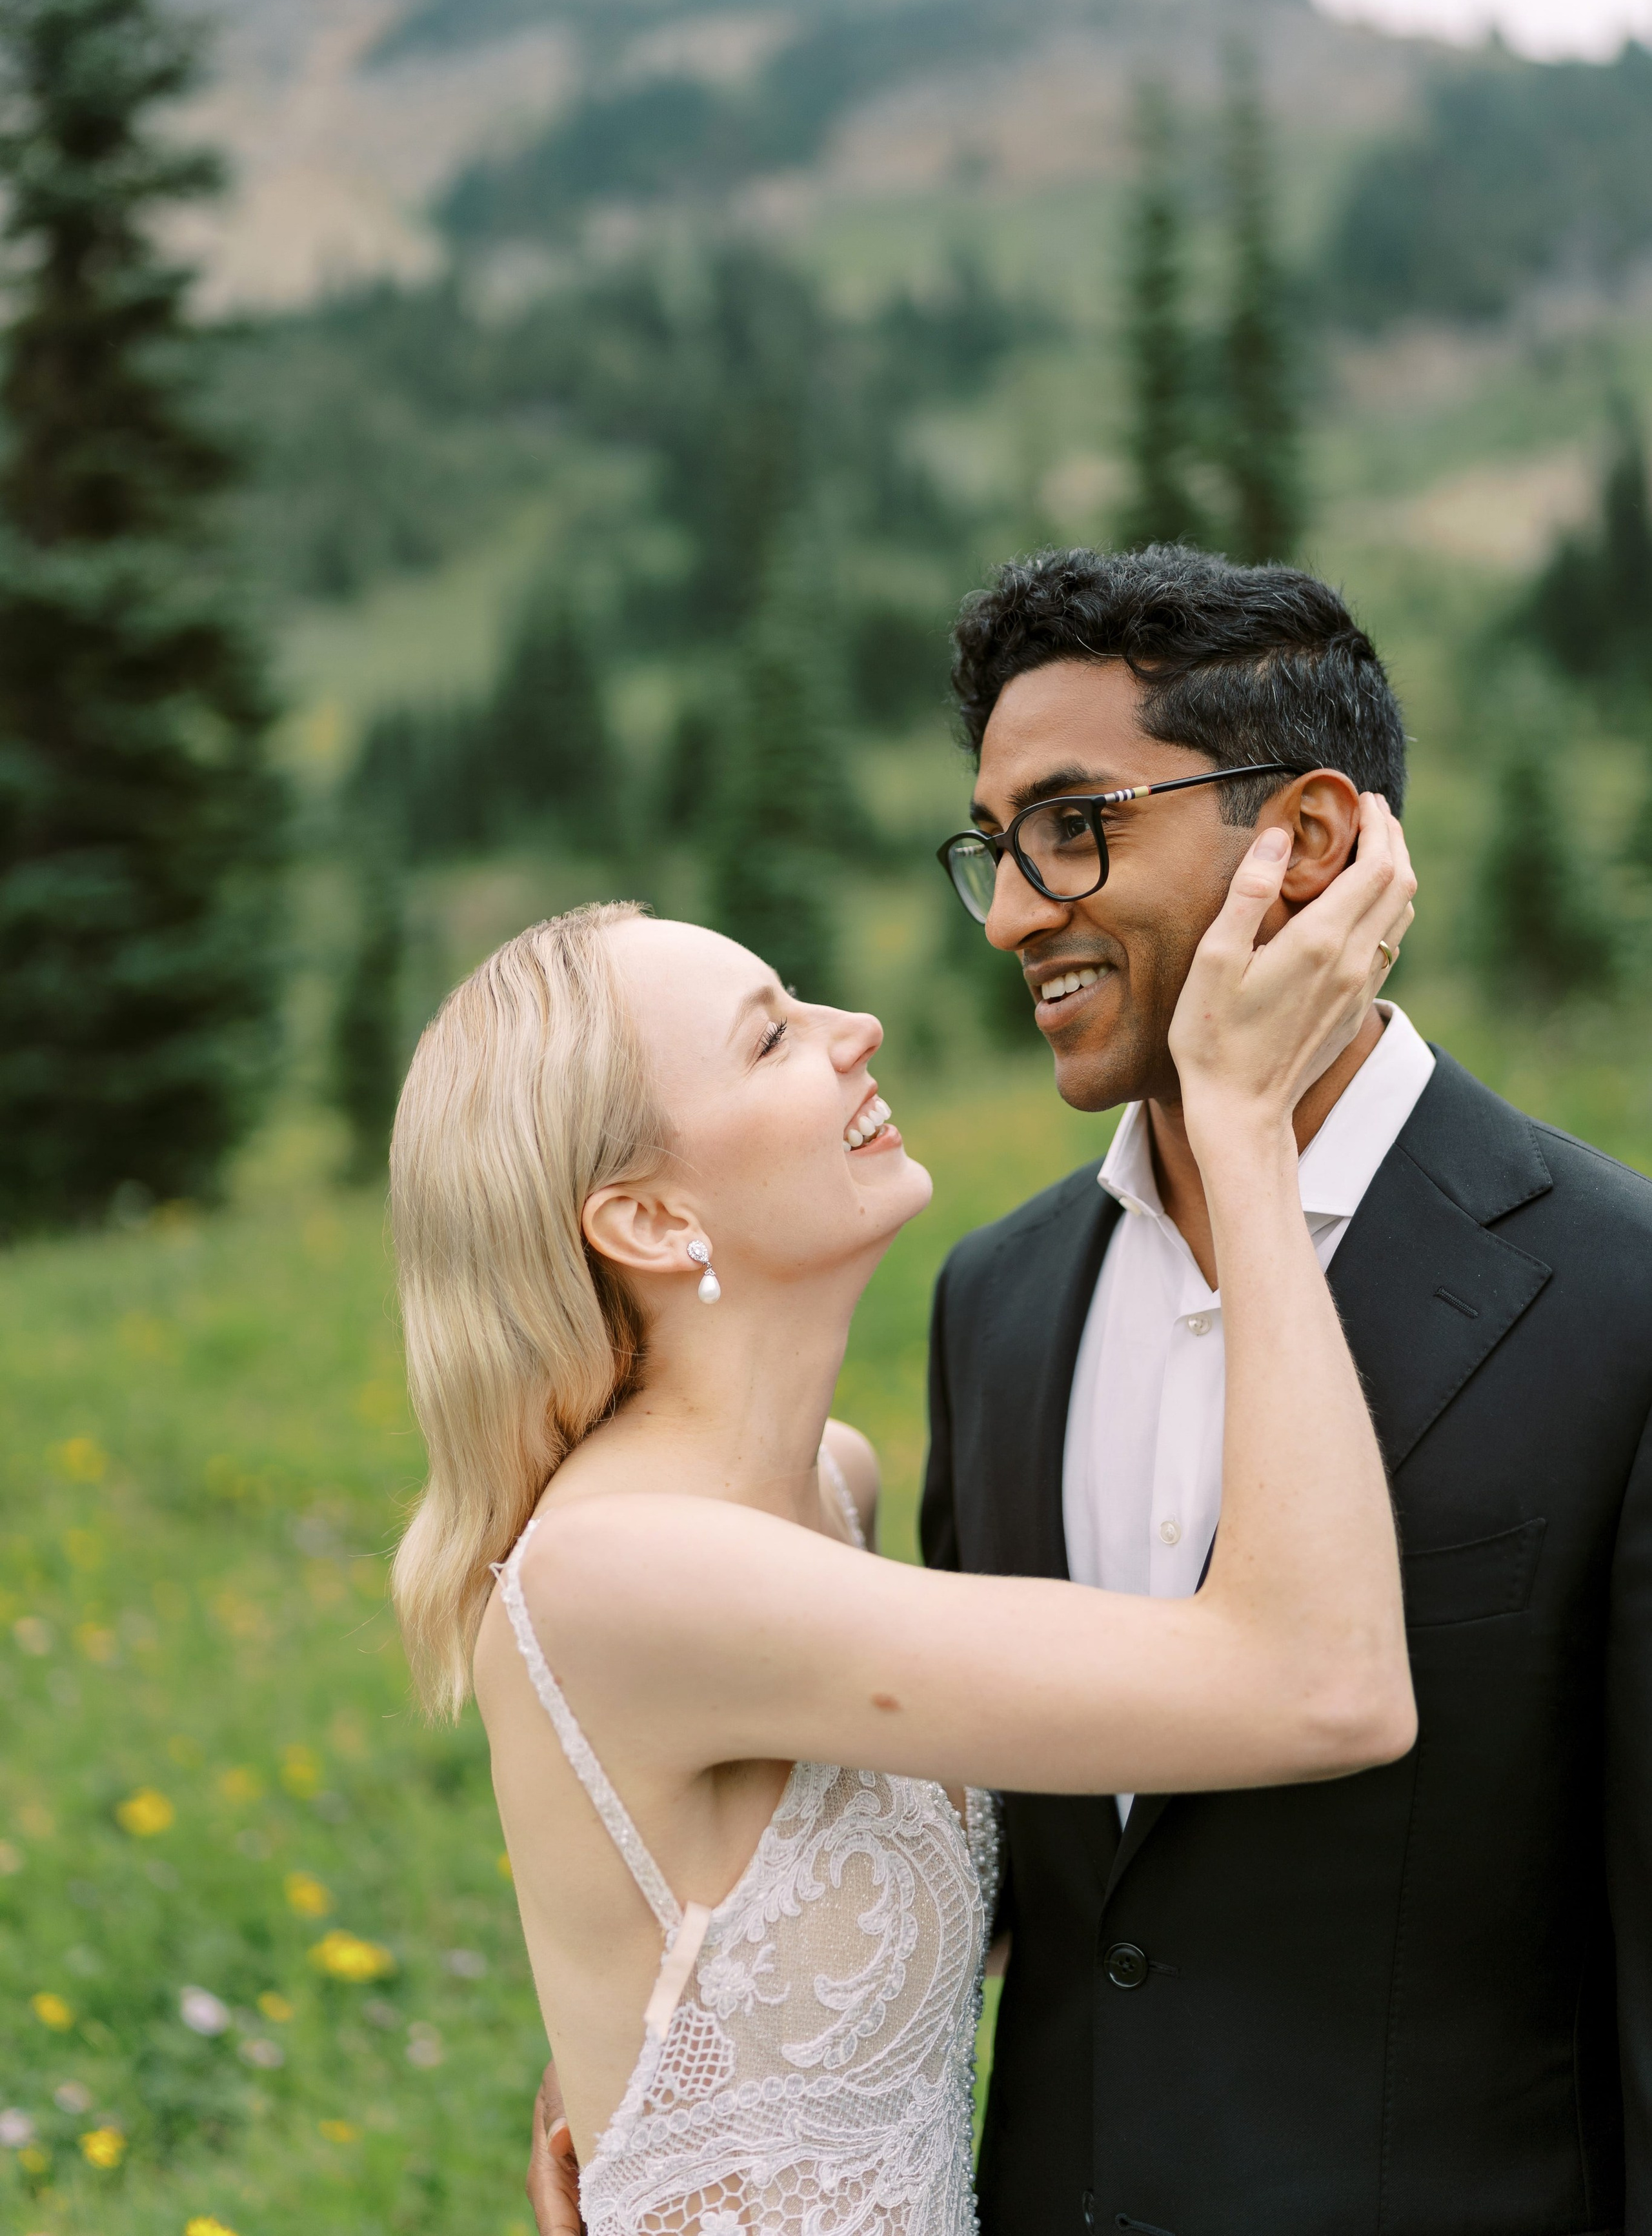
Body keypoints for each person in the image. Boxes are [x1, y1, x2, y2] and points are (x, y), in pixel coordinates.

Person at [389, 802, 1416, 2236]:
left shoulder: (831, 1488)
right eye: (769, 1036)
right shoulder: (626, 1574)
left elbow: (829, 1939)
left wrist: (633, 2082)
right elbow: (1323, 1684)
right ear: (646, 1221)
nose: (856, 1024)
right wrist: (1241, 1120)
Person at [923, 543, 1652, 2236]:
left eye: (1074, 823)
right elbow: (984, 1850)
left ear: (1306, 841)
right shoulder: (997, 1300)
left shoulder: (1624, 1301)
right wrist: (667, 2062)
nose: (1020, 909)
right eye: (997, 846)